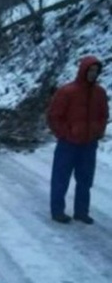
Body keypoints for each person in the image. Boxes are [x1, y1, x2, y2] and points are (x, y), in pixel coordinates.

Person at [47, 56, 109, 224]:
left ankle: (81, 212)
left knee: (85, 180)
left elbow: (104, 115)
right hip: (68, 144)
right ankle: (57, 211)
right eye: (90, 70)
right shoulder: (67, 91)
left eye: (96, 71)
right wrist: (65, 134)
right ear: (83, 70)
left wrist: (99, 131)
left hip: (89, 145)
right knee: (60, 179)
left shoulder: (100, 93)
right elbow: (54, 117)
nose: (92, 74)